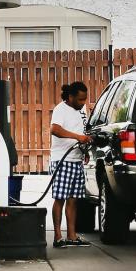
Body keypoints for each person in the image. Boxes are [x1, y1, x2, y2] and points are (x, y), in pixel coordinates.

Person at [50, 81, 92, 249]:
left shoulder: (81, 110)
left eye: (85, 99)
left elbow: (83, 133)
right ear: (71, 97)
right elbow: (55, 130)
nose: (83, 103)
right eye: (80, 99)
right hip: (62, 160)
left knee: (73, 200)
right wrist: (77, 137)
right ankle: (58, 236)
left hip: (76, 160)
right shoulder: (61, 109)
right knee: (60, 198)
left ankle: (72, 236)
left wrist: (85, 150)